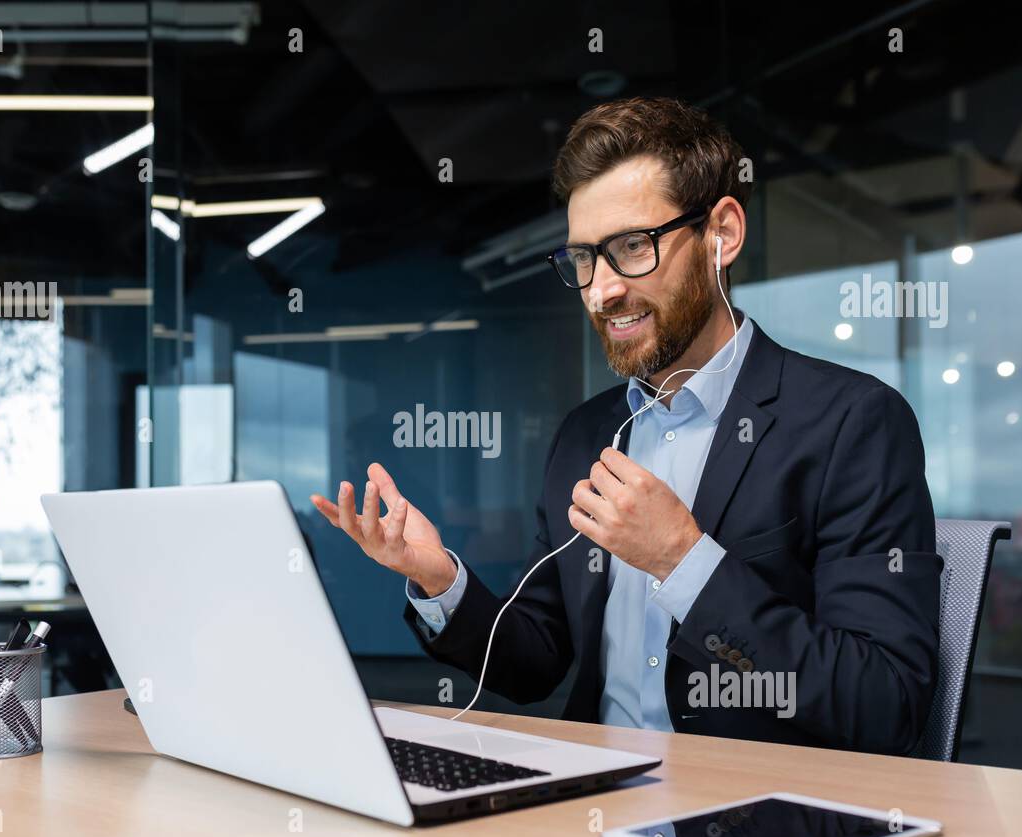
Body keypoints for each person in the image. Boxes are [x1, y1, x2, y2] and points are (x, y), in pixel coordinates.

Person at [311, 96, 943, 755]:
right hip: (591, 799)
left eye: (632, 247)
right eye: (584, 259)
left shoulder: (852, 423)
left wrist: (683, 560)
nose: (601, 291)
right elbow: (535, 664)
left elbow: (885, 703)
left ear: (721, 234)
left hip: (753, 815)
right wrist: (442, 579)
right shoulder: (587, 436)